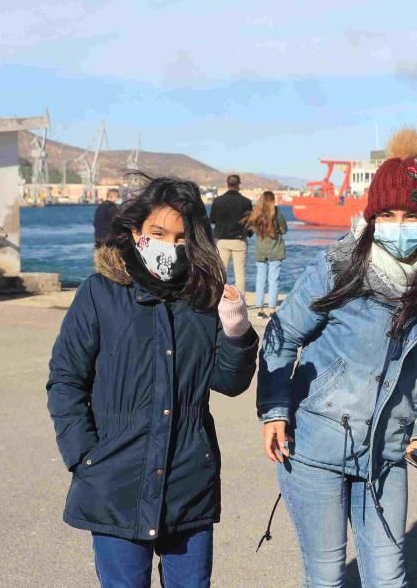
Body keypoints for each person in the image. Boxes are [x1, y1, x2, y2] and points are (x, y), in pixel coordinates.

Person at [256, 129, 417, 587]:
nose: (398, 223)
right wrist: (273, 411)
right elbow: (282, 334)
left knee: (388, 578)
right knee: (327, 577)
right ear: (372, 215)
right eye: (387, 213)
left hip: (387, 455)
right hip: (314, 449)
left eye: (411, 214)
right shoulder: (338, 267)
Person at [46, 175, 260, 588]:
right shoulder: (99, 293)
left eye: (181, 238)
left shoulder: (202, 299)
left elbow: (228, 383)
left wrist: (236, 332)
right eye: (158, 233)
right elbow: (66, 380)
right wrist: (84, 456)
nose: (169, 245)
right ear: (135, 231)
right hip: (115, 483)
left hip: (188, 485)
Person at [242, 190, 288, 318]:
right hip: (275, 250)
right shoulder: (276, 212)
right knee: (274, 280)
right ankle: (272, 309)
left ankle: (260, 309)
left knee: (260, 279)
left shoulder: (256, 213)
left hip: (260, 250)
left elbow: (250, 229)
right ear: (272, 201)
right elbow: (284, 229)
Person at [210, 174, 252, 290]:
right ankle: (241, 304)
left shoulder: (218, 201)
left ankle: (218, 301)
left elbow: (212, 219)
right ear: (239, 185)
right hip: (239, 240)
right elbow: (249, 223)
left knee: (221, 272)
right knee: (240, 274)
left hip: (221, 240)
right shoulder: (246, 202)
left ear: (227, 184)